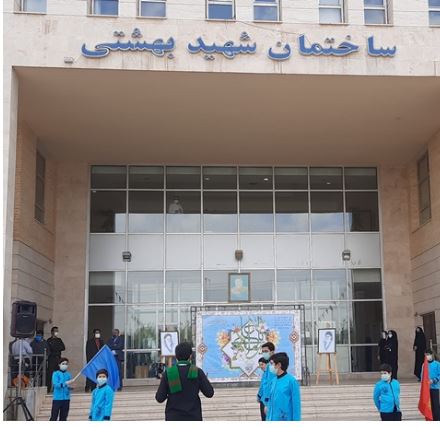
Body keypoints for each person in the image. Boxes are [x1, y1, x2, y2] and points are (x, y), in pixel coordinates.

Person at [155, 342, 214, 420]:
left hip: (173, 417)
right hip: (193, 417)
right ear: (190, 356)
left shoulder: (169, 373)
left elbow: (159, 398)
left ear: (176, 356)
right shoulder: (197, 371)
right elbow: (209, 393)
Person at [265, 352, 301, 421]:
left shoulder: (291, 381)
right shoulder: (274, 380)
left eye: (271, 364)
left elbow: (296, 406)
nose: (270, 366)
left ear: (278, 365)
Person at [258, 341, 276, 417]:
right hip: (264, 399)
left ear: (272, 352)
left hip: (269, 401)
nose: (264, 353)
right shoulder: (268, 366)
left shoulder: (273, 366)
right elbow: (264, 384)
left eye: (266, 351)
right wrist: (259, 395)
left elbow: (270, 385)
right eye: (263, 351)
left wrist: (267, 403)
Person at [421, 350, 440, 421]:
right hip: (427, 389)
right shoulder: (424, 365)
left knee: (435, 405)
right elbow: (422, 376)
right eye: (426, 355)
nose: (427, 356)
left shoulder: (437, 364)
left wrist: (434, 380)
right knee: (429, 405)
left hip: (435, 388)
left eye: (428, 354)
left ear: (432, 355)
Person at [47, 326, 66, 393]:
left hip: (58, 358)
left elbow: (63, 347)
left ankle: (58, 388)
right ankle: (49, 388)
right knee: (50, 374)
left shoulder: (59, 340)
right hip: (51, 359)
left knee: (59, 374)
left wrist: (55, 348)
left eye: (57, 331)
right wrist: (56, 348)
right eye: (55, 331)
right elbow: (49, 349)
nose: (56, 332)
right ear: (52, 332)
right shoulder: (49, 340)